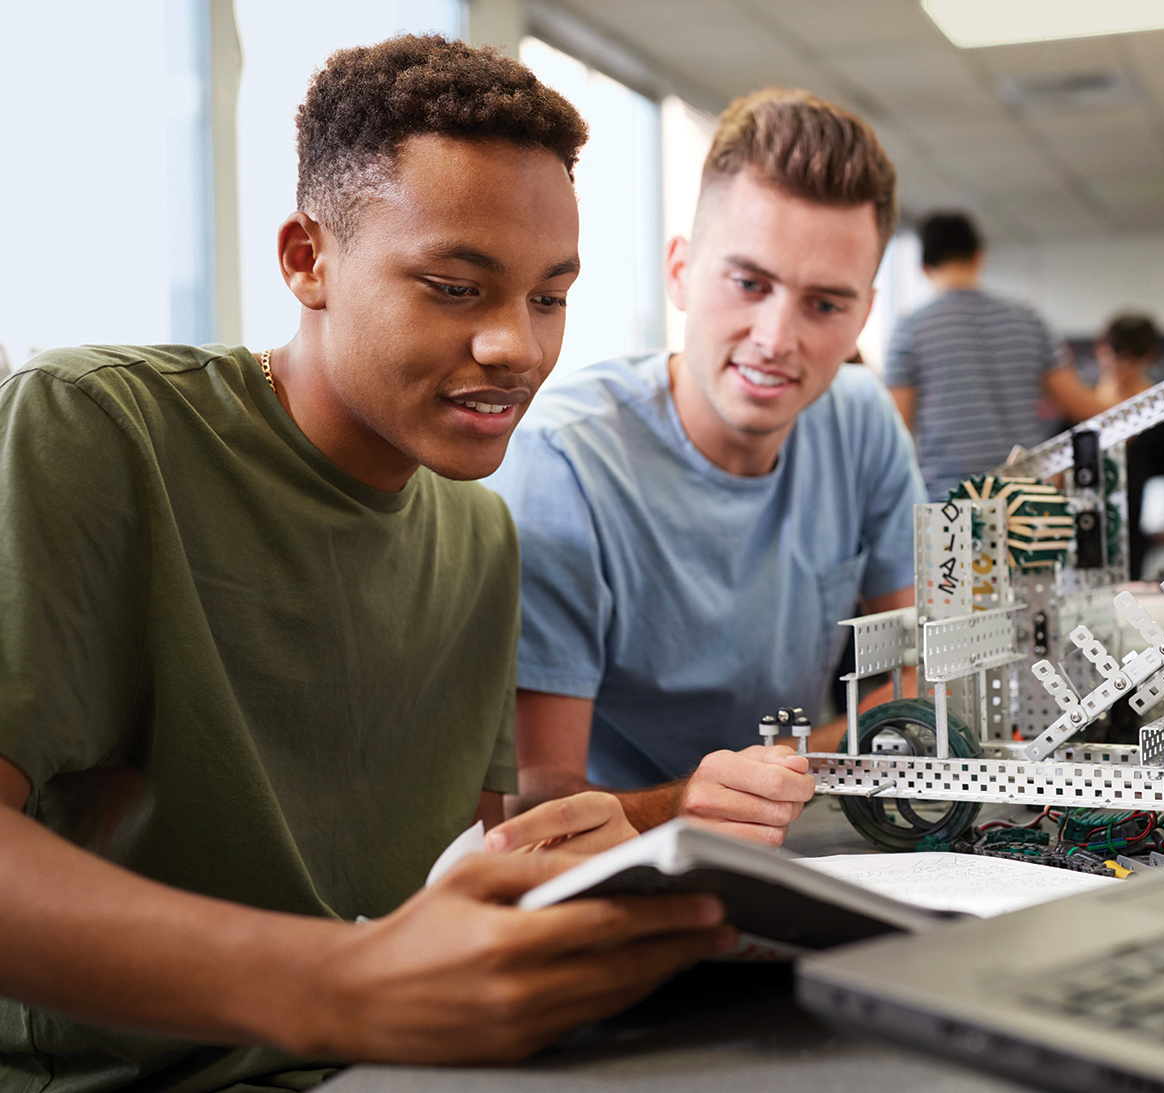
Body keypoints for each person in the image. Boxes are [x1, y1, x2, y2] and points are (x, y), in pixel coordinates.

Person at [0, 36, 736, 1093]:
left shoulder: (481, 537)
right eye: (453, 287)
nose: (516, 348)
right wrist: (339, 982)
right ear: (308, 260)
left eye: (548, 297)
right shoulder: (96, 428)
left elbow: (466, 883)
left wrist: (586, 859)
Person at [490, 89, 924, 847]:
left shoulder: (863, 421)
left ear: (862, 317)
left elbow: (920, 681)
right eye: (749, 284)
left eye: (825, 304)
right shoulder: (566, 463)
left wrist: (777, 775)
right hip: (629, 869)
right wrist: (693, 801)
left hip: (808, 842)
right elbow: (536, 810)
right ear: (682, 272)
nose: (775, 337)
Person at [885, 212, 1063, 501]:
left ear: (924, 267)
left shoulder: (910, 329)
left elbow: (896, 431)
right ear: (978, 257)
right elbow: (1077, 403)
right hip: (1027, 499)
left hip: (951, 506)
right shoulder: (1028, 319)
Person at [1046, 313, 1164, 579]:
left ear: (1149, 358)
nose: (1121, 366)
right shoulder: (1079, 407)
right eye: (1114, 356)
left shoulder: (1163, 409)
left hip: (1141, 533)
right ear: (1101, 351)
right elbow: (1054, 467)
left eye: (1131, 360)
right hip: (1085, 525)